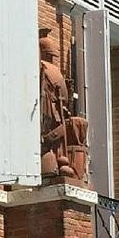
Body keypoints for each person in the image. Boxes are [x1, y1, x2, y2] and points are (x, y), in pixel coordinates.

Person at [39, 29, 89, 182]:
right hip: (56, 115)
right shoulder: (53, 71)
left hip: (49, 117)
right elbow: (64, 99)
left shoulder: (46, 69)